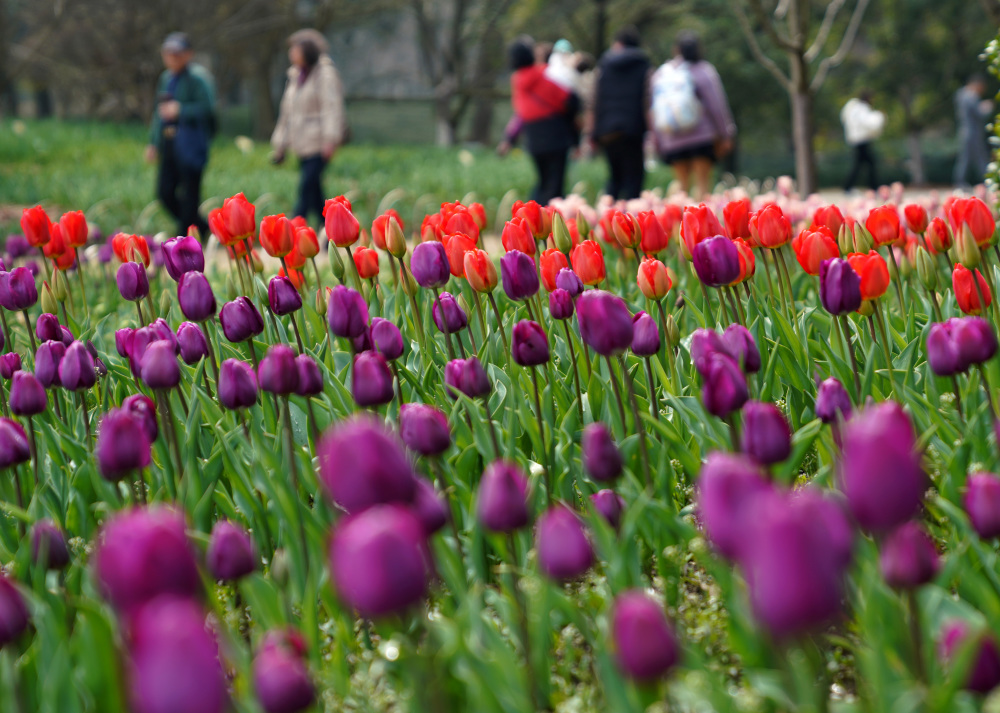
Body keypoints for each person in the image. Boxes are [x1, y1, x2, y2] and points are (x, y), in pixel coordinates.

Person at [271, 29, 346, 224]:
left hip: (318, 142)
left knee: (306, 187)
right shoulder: (296, 76)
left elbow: (332, 109)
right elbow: (287, 113)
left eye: (295, 49)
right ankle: (329, 230)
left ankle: (295, 227)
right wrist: (280, 145)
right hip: (301, 142)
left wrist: (331, 140)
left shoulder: (325, 75)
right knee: (314, 191)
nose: (291, 53)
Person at [145, 32, 216, 238]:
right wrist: (153, 143)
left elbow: (208, 109)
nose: (173, 58)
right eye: (168, 53)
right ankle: (201, 228)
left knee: (190, 196)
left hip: (192, 146)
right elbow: (159, 114)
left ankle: (185, 239)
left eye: (177, 53)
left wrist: (181, 110)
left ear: (188, 54)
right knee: (164, 193)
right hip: (170, 144)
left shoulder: (198, 79)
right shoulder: (165, 78)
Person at [652, 31, 735, 200]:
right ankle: (703, 224)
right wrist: (726, 133)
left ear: (676, 49)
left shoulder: (662, 74)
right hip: (701, 137)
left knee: (681, 187)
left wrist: (657, 141)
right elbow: (717, 105)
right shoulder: (704, 71)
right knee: (703, 185)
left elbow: (654, 110)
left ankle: (680, 223)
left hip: (673, 138)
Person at [506, 37, 580, 205]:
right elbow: (569, 100)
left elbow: (520, 114)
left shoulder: (517, 81)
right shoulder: (542, 75)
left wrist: (509, 139)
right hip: (555, 135)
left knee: (543, 181)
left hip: (533, 139)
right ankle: (550, 224)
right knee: (555, 186)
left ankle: (530, 218)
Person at [590, 26, 651, 201]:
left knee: (614, 178)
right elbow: (648, 100)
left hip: (607, 131)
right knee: (634, 178)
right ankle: (632, 221)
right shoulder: (643, 65)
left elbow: (594, 100)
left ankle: (609, 221)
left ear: (618, 44)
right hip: (633, 129)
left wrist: (592, 132)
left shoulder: (604, 65)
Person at [840, 91, 885, 192]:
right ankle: (871, 187)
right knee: (867, 164)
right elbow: (867, 122)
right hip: (862, 140)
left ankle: (850, 187)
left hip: (857, 140)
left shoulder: (853, 108)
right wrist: (879, 117)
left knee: (862, 165)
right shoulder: (861, 109)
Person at [954, 74, 993, 188]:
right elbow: (979, 113)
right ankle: (988, 182)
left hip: (965, 132)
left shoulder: (961, 95)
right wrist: (986, 108)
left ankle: (960, 182)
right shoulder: (971, 96)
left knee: (967, 159)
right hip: (973, 133)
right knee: (977, 158)